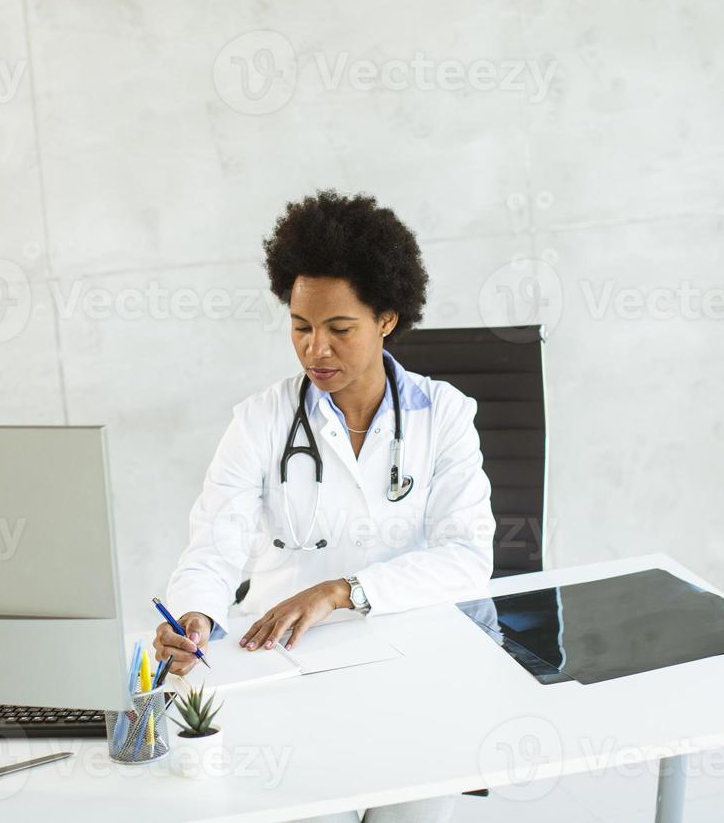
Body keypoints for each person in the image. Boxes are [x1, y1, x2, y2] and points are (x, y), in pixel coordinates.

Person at [154, 190, 495, 823]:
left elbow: (468, 560)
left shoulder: (444, 415)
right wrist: (195, 613)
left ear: (387, 319)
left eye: (340, 329)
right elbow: (215, 541)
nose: (316, 350)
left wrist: (343, 591)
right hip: (290, 670)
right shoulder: (260, 421)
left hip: (413, 670)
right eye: (301, 327)